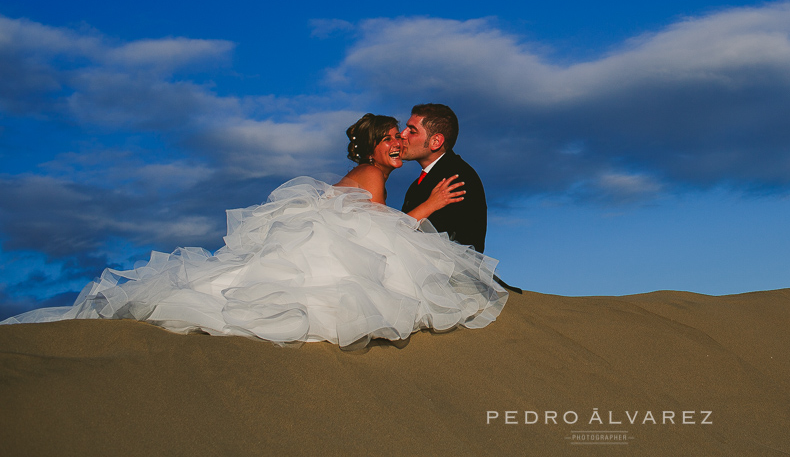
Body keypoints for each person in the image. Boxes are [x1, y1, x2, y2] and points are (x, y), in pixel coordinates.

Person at [0, 113, 508, 348]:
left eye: (404, 136)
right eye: (392, 138)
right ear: (372, 149)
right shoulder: (374, 177)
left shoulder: (369, 175)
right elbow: (378, 227)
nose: (399, 143)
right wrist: (428, 207)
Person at [398, 104, 487, 253]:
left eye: (412, 131)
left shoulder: (456, 178)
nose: (402, 134)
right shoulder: (420, 183)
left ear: (436, 141)